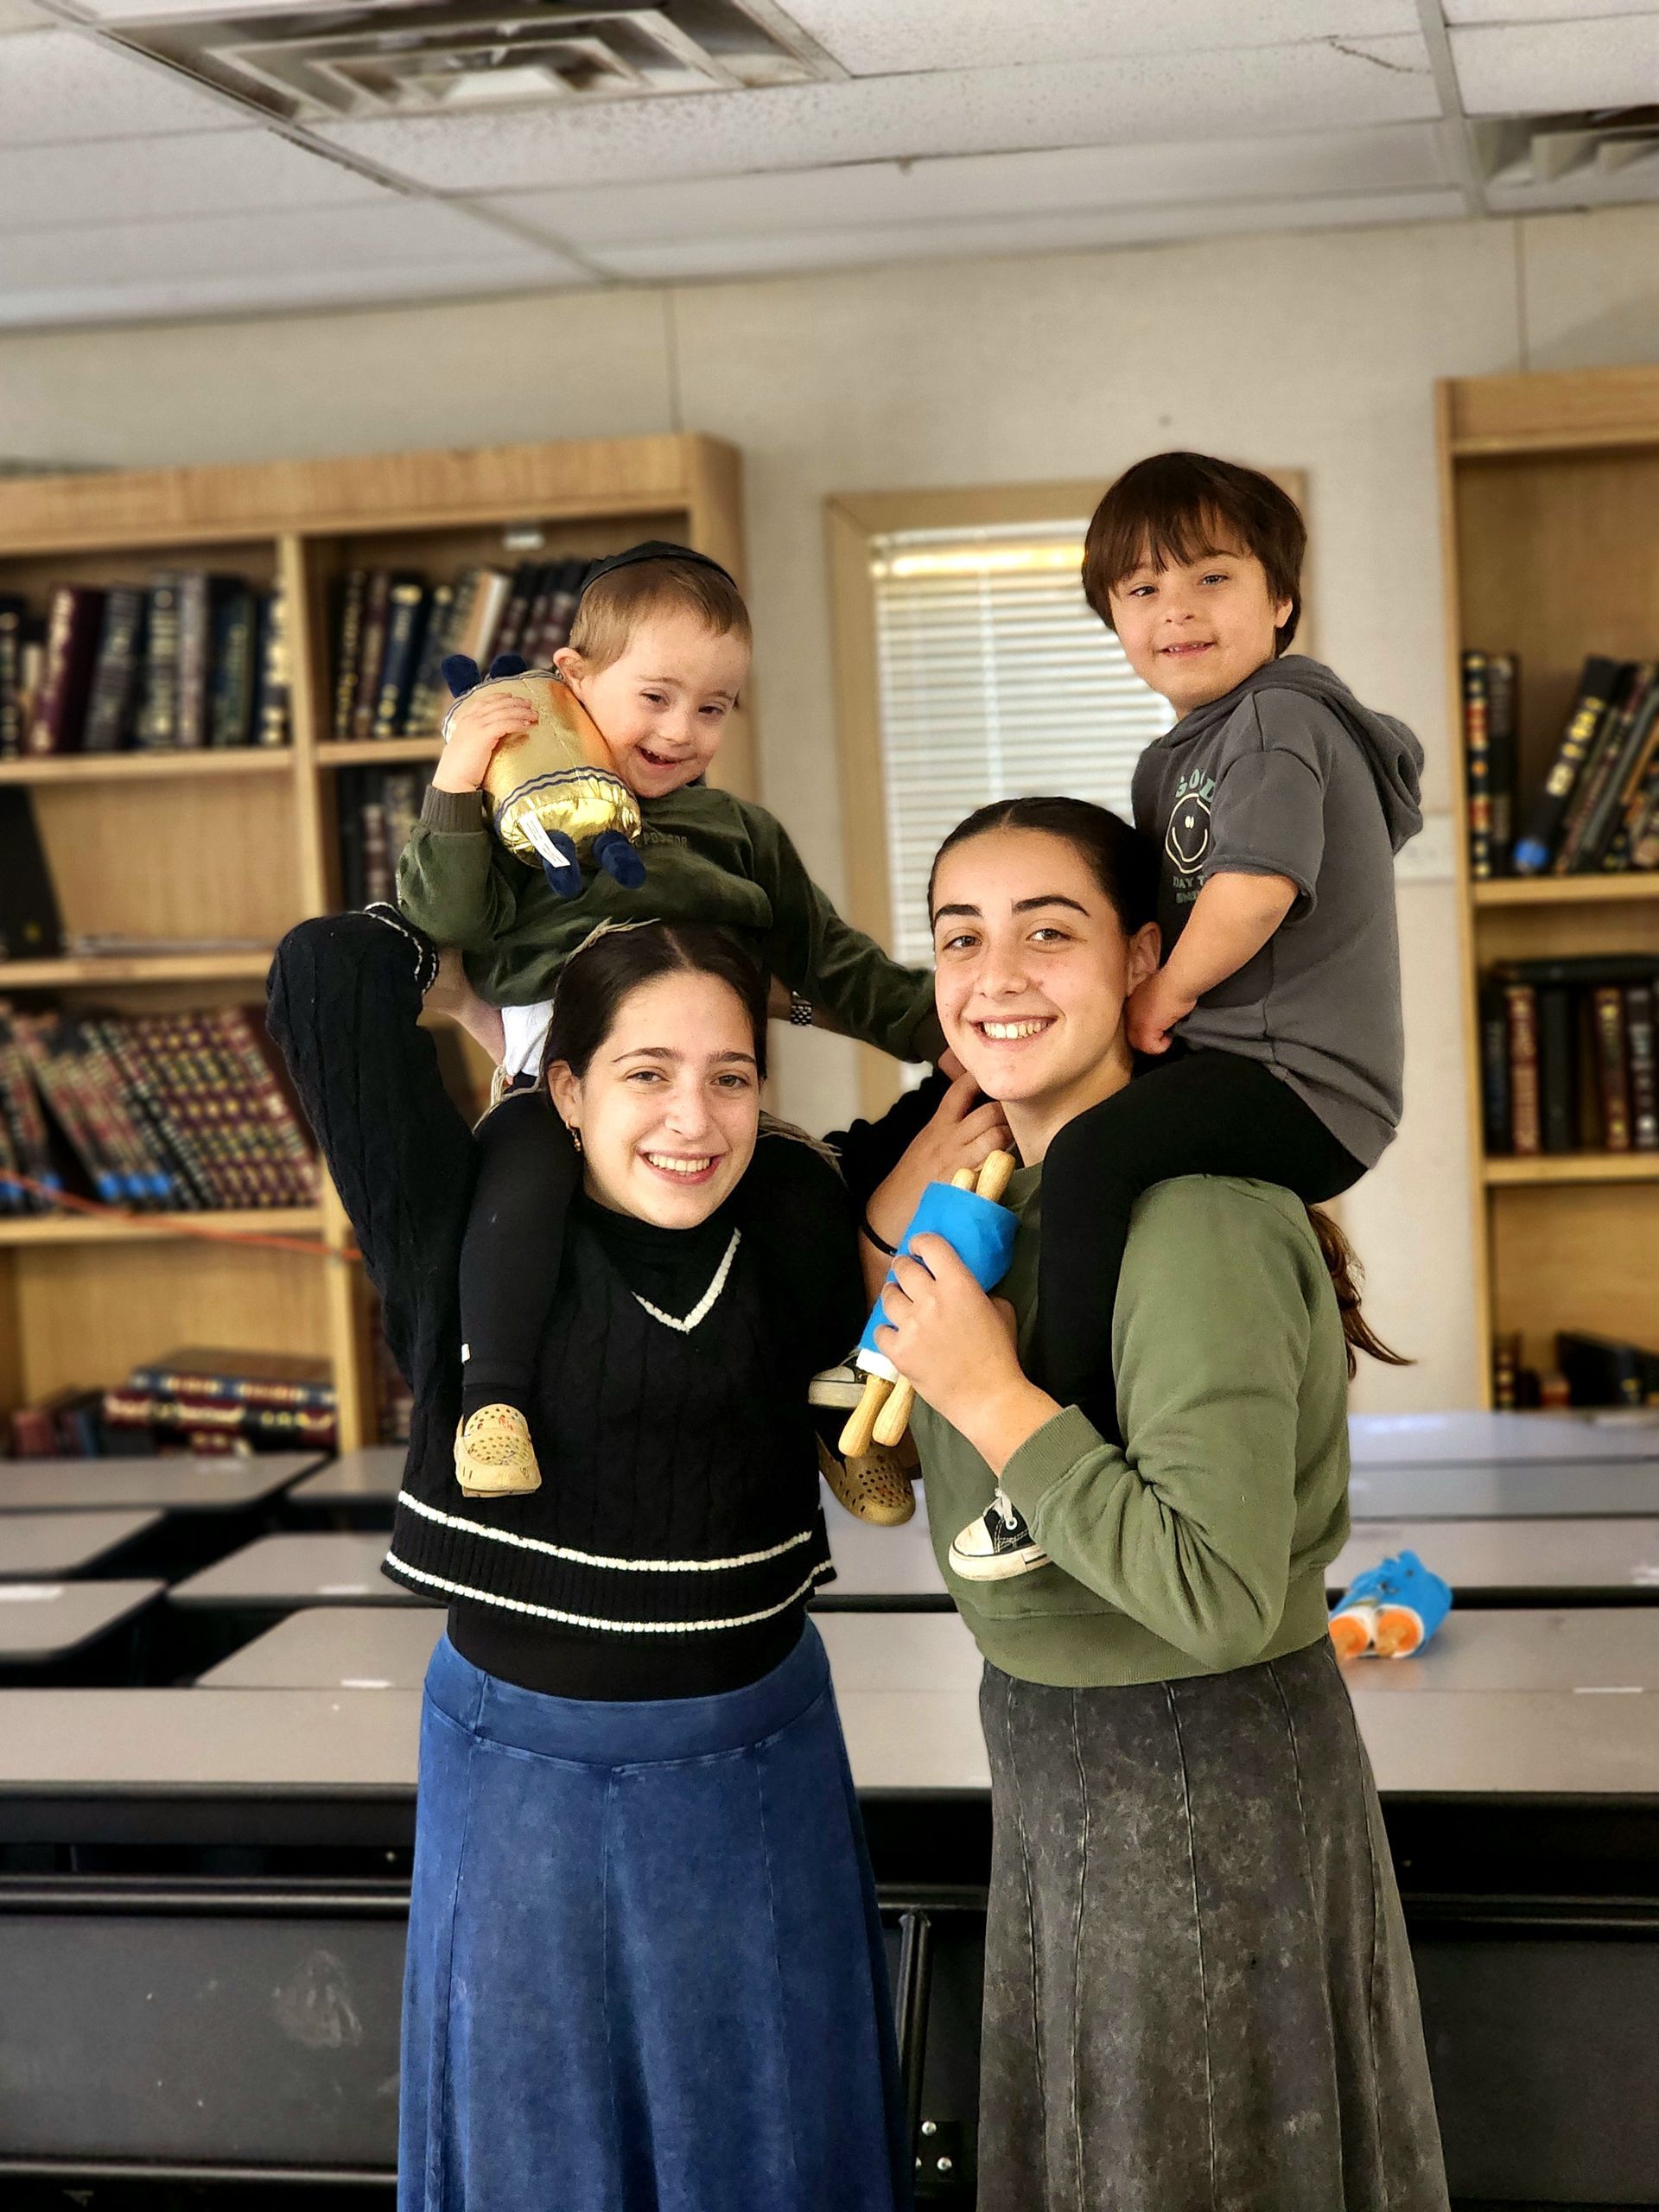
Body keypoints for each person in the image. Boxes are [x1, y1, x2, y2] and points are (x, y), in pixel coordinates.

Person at [266, 907, 912, 2212]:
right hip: (521, 1785)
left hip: (760, 1769)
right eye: (645, 1074)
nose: (694, 1118)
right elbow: (321, 978)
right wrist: (482, 912)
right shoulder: (458, 1234)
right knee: (534, 2159)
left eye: (730, 1076)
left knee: (774, 2150)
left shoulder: (797, 1220)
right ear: (564, 1086)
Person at [863, 797, 1447, 2212]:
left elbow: (1225, 1591)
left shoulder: (1190, 1216)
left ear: (1140, 959)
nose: (997, 976)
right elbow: (905, 1485)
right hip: (1063, 1762)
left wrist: (991, 1391)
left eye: (1047, 932)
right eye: (961, 938)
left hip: (1197, 1782)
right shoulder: (1009, 1200)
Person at [950, 453, 1425, 1579]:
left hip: (1301, 1079)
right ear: (1112, 616)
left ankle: (1063, 1439)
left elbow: (1253, 892)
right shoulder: (1200, 744)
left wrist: (1160, 994)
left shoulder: (1272, 723)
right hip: (1250, 1064)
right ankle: (901, 1356)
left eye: (1211, 578)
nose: (1176, 611)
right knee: (998, 1114)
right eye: (1141, 590)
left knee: (1092, 1154)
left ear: (1280, 599)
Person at [395, 542, 942, 1511]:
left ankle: (832, 1407)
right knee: (513, 1186)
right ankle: (494, 1406)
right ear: (574, 679)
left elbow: (828, 960)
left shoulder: (741, 834)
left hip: (702, 1087)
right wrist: (459, 774)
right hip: (552, 1090)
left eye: (713, 707)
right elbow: (447, 923)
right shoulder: (521, 814)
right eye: (655, 697)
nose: (681, 730)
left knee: (806, 1186)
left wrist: (936, 1031)